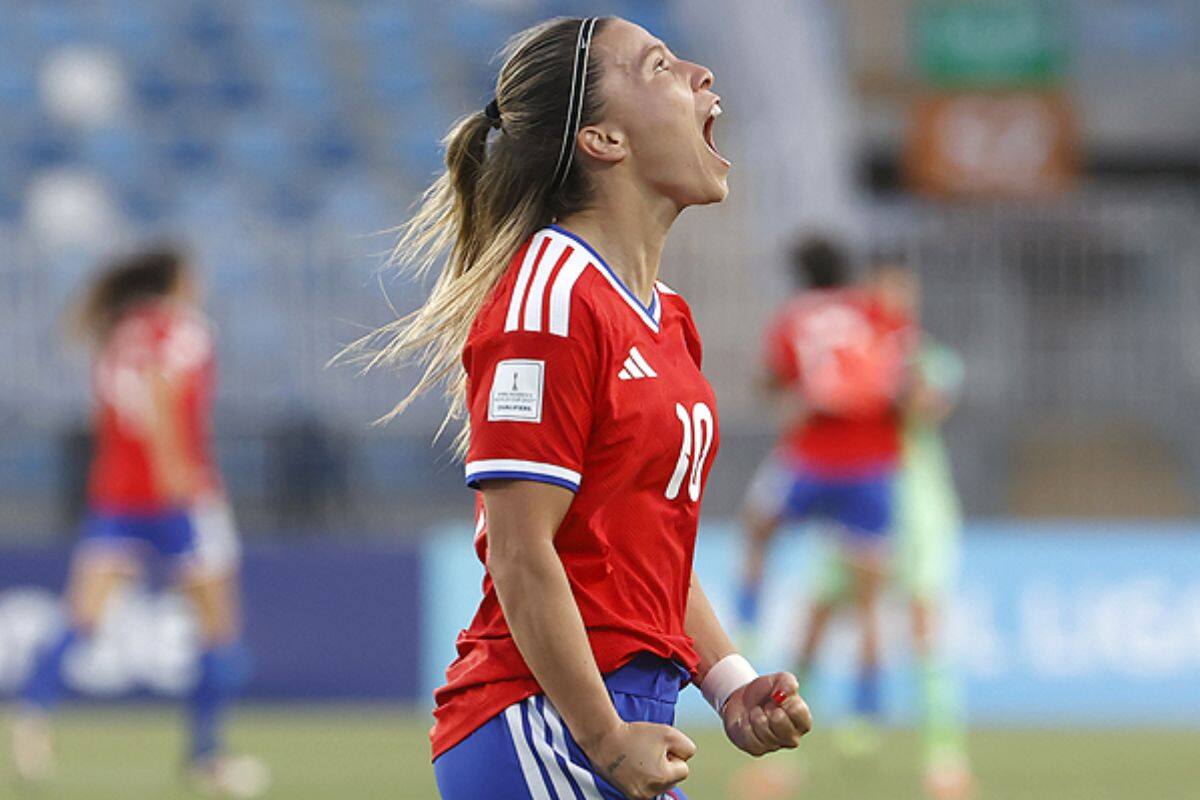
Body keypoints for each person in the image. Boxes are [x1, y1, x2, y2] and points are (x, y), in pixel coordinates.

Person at [356, 16, 811, 800]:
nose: (702, 74)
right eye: (661, 65)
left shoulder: (665, 315)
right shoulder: (549, 300)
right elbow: (521, 551)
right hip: (545, 724)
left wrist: (728, 683)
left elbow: (645, 552)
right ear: (603, 139)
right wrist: (602, 736)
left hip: (613, 721)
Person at [9, 247, 265, 798]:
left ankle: (32, 716)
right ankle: (206, 756)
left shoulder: (116, 331)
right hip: (177, 499)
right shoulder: (183, 330)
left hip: (117, 498)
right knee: (219, 629)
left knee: (82, 618)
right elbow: (162, 395)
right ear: (175, 280)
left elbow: (108, 409)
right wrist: (176, 471)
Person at [804, 260, 973, 799]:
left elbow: (927, 402)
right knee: (821, 617)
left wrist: (883, 373)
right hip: (857, 494)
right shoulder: (848, 351)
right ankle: (784, 756)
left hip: (917, 508)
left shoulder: (926, 357)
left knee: (924, 626)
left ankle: (943, 760)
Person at [735, 235, 914, 741]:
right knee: (869, 597)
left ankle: (748, 615)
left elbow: (772, 378)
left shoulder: (796, 316)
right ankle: (865, 715)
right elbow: (906, 379)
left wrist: (788, 395)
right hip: (873, 466)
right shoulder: (878, 313)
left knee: (758, 527)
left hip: (812, 457)